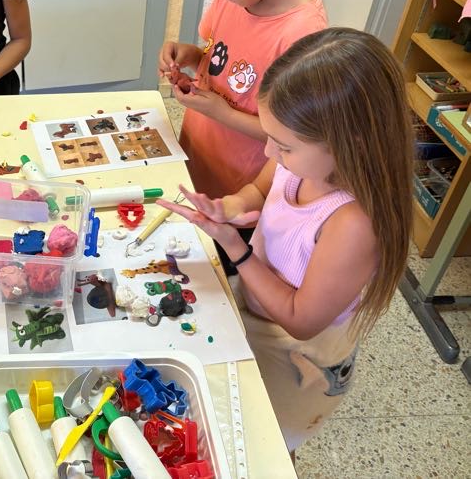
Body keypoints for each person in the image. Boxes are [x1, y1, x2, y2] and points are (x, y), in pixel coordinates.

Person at [158, 28, 413, 452]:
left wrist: (237, 249)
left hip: (298, 356)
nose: (270, 153)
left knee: (266, 444)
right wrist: (229, 207)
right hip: (257, 307)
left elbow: (299, 318)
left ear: (349, 143)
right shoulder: (299, 161)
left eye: (284, 146)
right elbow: (260, 189)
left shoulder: (353, 224)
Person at [159, 0, 327, 275]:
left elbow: (292, 139)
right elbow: (220, 58)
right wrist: (190, 56)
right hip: (197, 163)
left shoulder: (303, 34)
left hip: (240, 194)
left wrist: (221, 112)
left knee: (209, 279)